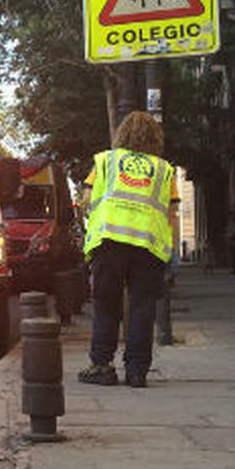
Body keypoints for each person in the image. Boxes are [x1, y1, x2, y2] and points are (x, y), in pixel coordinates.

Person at [77, 111, 179, 389]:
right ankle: (137, 371)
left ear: (121, 135)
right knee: (142, 308)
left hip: (109, 241)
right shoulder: (164, 170)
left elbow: (86, 199)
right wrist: (171, 256)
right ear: (155, 138)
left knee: (106, 305)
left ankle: (102, 365)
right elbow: (171, 214)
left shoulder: (105, 162)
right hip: (149, 246)